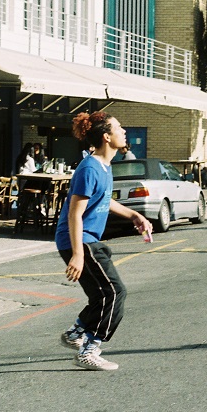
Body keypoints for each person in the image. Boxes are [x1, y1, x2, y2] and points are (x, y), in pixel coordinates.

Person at [55, 111, 153, 371]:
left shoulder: (104, 166)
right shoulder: (89, 168)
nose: (124, 131)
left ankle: (75, 334)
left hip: (85, 240)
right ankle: (89, 350)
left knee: (101, 295)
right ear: (107, 137)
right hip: (80, 240)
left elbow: (104, 199)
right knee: (114, 292)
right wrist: (78, 254)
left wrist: (134, 215)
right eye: (119, 128)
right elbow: (75, 213)